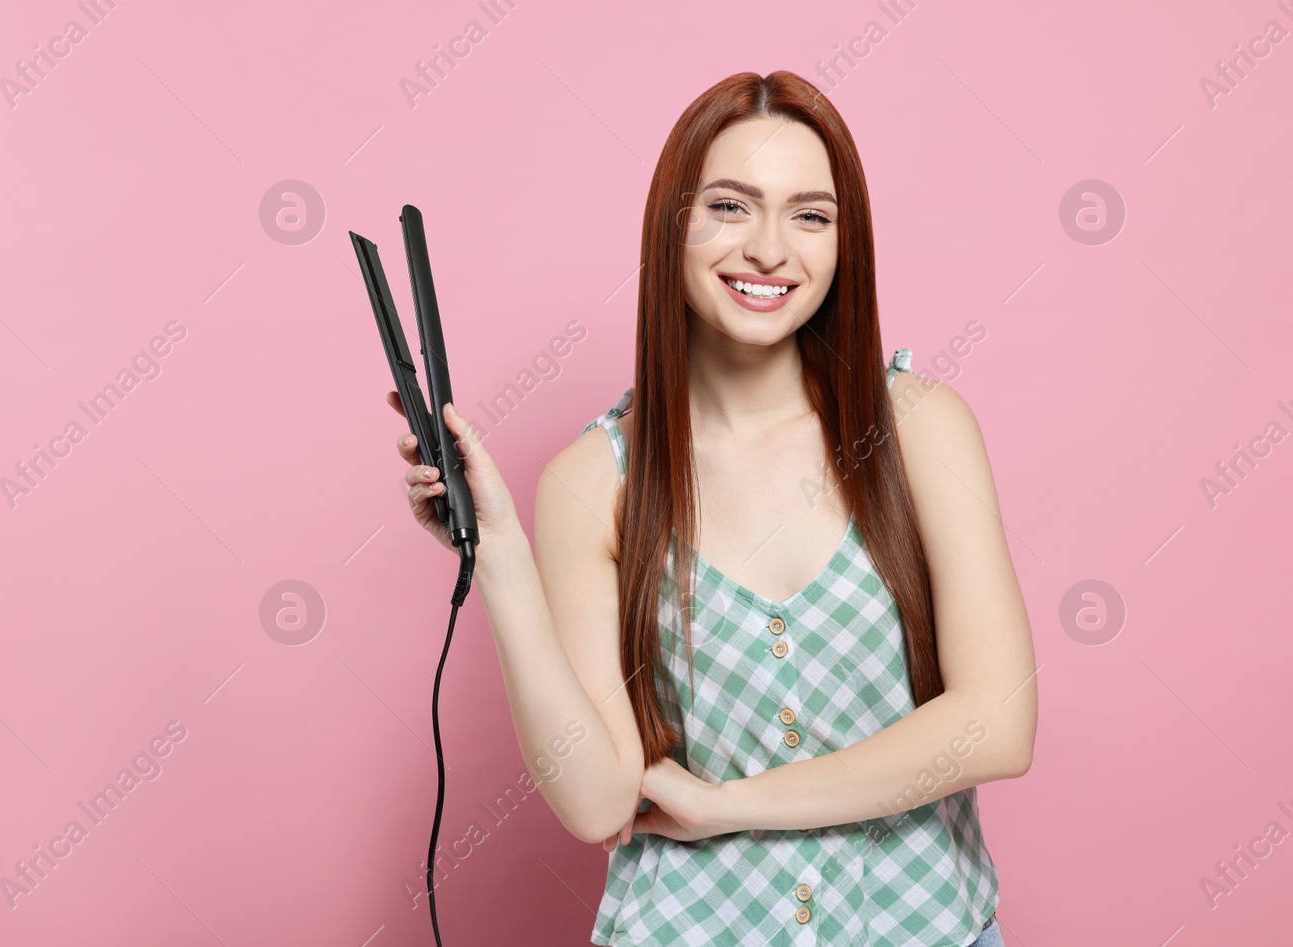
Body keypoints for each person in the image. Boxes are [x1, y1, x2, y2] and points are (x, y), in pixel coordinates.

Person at [387, 70, 1036, 946]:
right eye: (731, 206)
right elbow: (597, 798)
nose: (770, 249)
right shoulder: (592, 480)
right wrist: (498, 555)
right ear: (674, 224)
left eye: (810, 215)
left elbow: (996, 722)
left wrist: (732, 804)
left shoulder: (919, 427)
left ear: (846, 246)